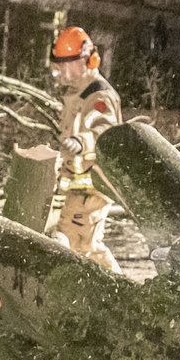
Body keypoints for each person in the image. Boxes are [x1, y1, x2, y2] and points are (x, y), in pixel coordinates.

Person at [49, 26, 122, 273]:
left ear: (84, 60)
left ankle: (121, 292)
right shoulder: (77, 94)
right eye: (58, 64)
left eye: (65, 64)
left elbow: (105, 132)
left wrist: (81, 142)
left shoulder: (98, 95)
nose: (59, 70)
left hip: (94, 184)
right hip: (79, 185)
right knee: (78, 243)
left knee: (83, 245)